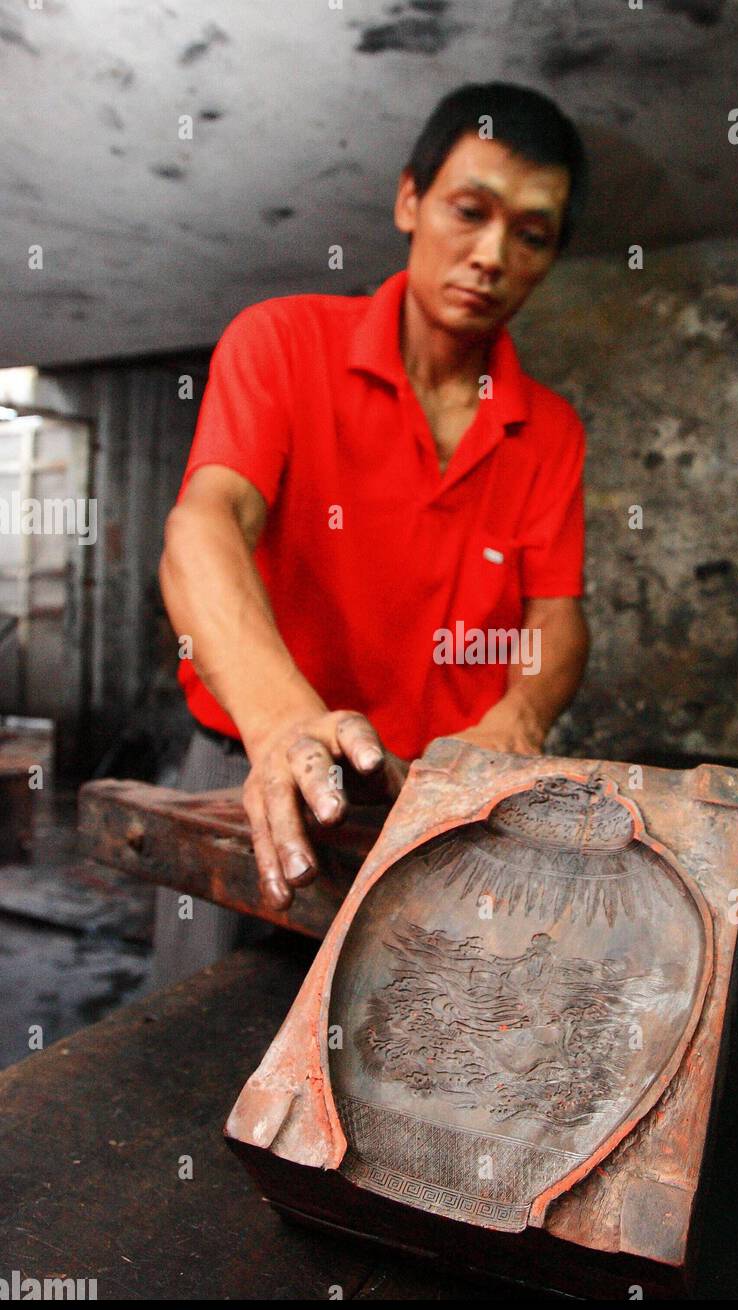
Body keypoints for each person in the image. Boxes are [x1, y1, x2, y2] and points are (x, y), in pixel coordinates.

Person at [152, 82, 591, 986]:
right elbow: (203, 526)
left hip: (434, 809)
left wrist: (523, 711)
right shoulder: (278, 343)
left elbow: (557, 612)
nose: (491, 255)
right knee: (192, 1053)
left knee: (413, 1055)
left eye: (532, 235)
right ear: (409, 202)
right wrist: (281, 725)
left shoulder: (549, 431)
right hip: (246, 775)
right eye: (469, 212)